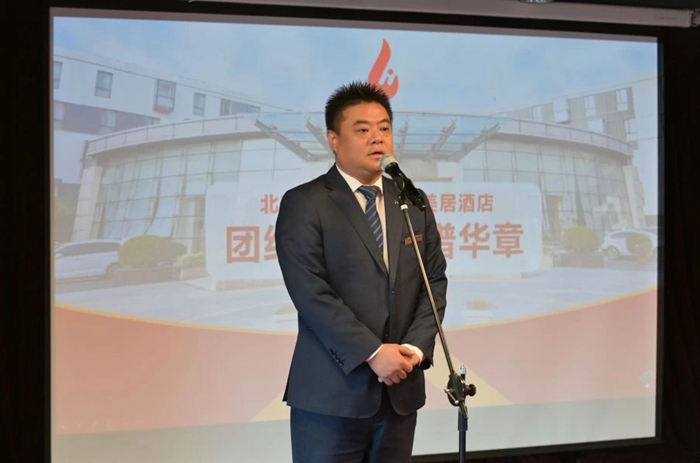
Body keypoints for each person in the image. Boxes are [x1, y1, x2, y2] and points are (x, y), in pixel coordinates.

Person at [275, 81, 448, 463]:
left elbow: (433, 279)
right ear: (333, 139)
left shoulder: (411, 201)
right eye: (363, 129)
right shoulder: (305, 202)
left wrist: (414, 349)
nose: (377, 138)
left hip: (400, 390)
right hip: (332, 396)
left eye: (384, 128)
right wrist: (372, 353)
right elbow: (310, 293)